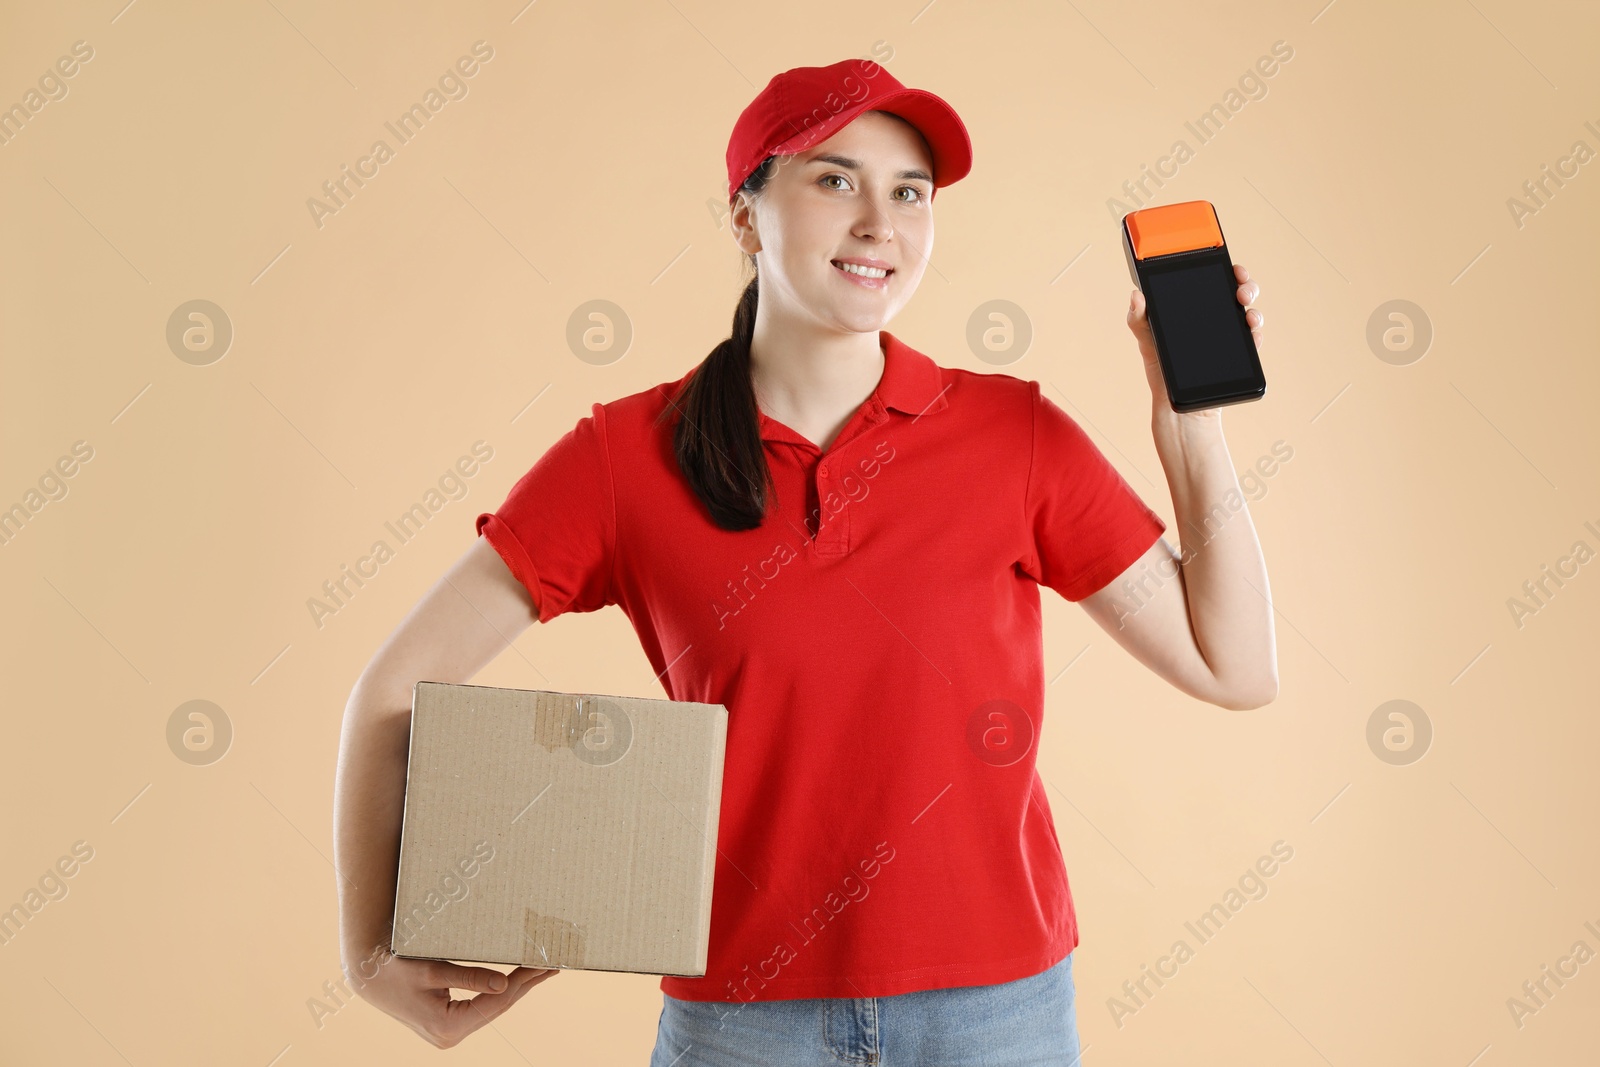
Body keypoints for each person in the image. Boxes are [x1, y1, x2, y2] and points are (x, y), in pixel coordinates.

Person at [333, 56, 1277, 1060]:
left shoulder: (1015, 436)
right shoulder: (623, 458)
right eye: (836, 179)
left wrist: (1189, 418)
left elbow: (1237, 666)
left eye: (908, 192)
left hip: (997, 1014)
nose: (881, 221)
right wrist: (367, 949)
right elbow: (392, 689)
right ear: (745, 217)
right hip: (740, 1021)